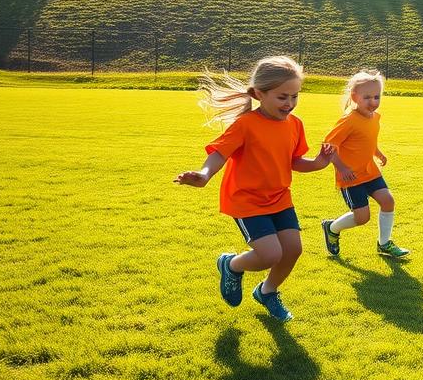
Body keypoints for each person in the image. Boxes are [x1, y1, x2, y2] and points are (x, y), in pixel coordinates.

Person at [174, 56, 333, 322]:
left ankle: (267, 292)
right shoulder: (245, 124)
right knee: (270, 255)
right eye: (283, 97)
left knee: (293, 250)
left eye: (295, 96)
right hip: (247, 200)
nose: (290, 104)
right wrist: (203, 175)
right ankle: (231, 265)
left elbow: (293, 161)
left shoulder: (295, 124)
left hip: (280, 197)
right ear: (260, 93)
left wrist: (318, 163)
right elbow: (219, 154)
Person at [320, 70, 410, 259]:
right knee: (362, 218)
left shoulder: (375, 117)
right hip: (351, 176)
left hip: (370, 171)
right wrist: (342, 168)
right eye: (367, 97)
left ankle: (384, 244)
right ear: (354, 97)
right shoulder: (349, 120)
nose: (373, 102)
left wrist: (378, 152)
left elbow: (366, 140)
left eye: (377, 97)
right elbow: (328, 146)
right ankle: (332, 228)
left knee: (388, 201)